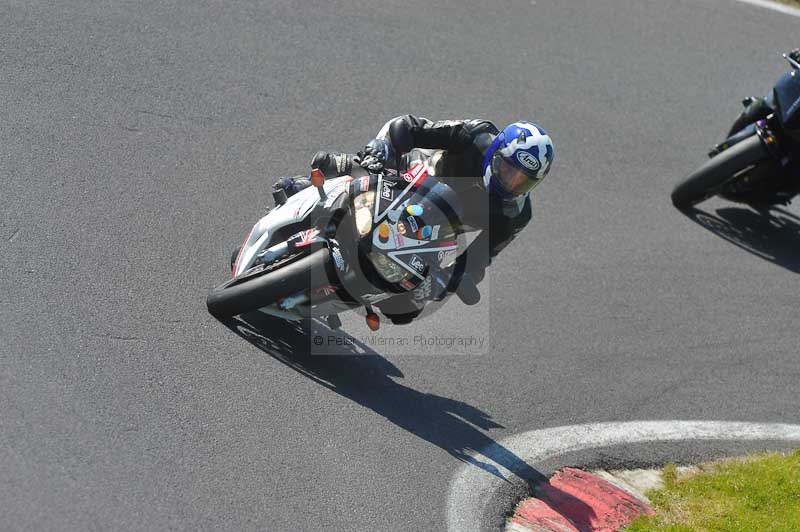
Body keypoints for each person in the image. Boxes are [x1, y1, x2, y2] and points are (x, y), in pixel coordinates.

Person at [273, 115, 555, 324]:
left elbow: (479, 259)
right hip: (409, 176)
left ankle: (337, 297)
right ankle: (306, 190)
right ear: (495, 152)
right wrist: (382, 151)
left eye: (523, 182)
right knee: (344, 165)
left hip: (431, 233)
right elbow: (407, 128)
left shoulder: (515, 214)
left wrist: (453, 279)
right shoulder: (475, 135)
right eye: (507, 170)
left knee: (406, 309)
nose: (511, 183)